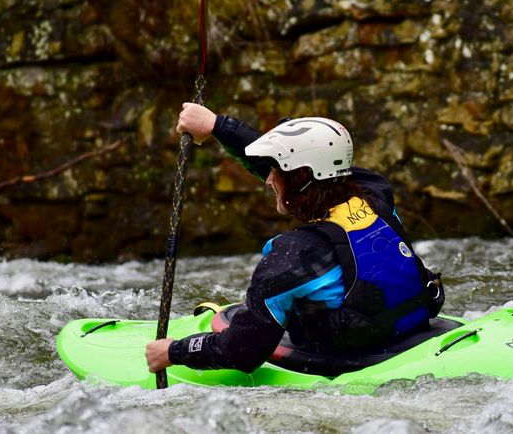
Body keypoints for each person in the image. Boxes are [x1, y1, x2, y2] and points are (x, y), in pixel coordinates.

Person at [145, 103, 444, 374]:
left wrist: (174, 351)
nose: (268, 179)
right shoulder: (376, 194)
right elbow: (315, 164)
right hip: (409, 331)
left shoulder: (295, 256)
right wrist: (218, 126)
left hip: (351, 357)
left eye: (275, 171)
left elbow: (242, 351)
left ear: (299, 179)